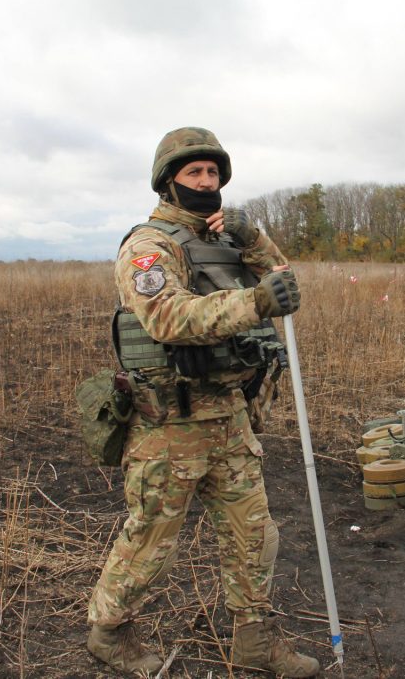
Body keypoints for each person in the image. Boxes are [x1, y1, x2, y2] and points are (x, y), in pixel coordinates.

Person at [86, 127, 319, 677]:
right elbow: (167, 316)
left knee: (254, 534)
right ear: (169, 181)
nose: (206, 181)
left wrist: (254, 240)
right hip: (171, 421)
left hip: (230, 415)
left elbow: (283, 281)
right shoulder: (149, 247)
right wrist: (256, 302)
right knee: (151, 541)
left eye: (213, 172)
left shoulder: (231, 238)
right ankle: (109, 632)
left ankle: (253, 641)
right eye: (194, 172)